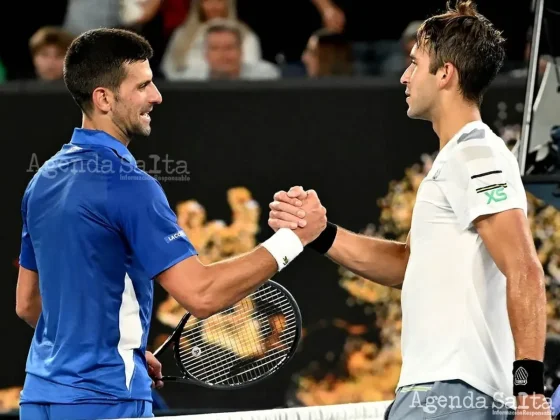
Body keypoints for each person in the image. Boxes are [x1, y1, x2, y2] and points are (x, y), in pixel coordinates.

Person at [15, 28, 326, 420]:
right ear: (104, 98)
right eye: (143, 85)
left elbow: (28, 304)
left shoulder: (42, 180)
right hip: (105, 402)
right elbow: (202, 294)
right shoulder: (130, 187)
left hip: (40, 398)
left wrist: (115, 344)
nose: (156, 96)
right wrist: (293, 239)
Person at [267, 1, 550, 419]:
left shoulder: (476, 153)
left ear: (445, 74)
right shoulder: (459, 158)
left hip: (454, 391)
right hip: (439, 391)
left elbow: (524, 267)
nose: (404, 76)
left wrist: (528, 392)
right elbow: (407, 264)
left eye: (415, 64)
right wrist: (321, 233)